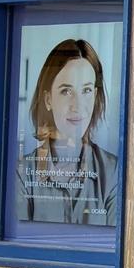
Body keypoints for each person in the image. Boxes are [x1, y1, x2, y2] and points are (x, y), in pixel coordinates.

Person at [16, 38, 118, 225]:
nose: (77, 106)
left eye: (86, 90)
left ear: (95, 97)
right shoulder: (23, 172)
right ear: (48, 100)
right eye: (66, 91)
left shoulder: (112, 170)